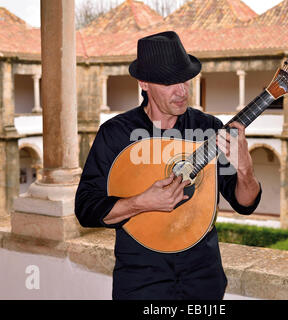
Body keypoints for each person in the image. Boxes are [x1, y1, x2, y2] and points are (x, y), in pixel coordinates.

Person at [74, 31, 261, 300]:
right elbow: (86, 209)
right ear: (144, 83)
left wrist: (245, 170)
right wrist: (141, 202)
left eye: (185, 80)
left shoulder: (209, 129)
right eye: (170, 83)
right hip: (141, 281)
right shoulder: (115, 134)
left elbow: (245, 204)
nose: (182, 91)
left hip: (203, 280)